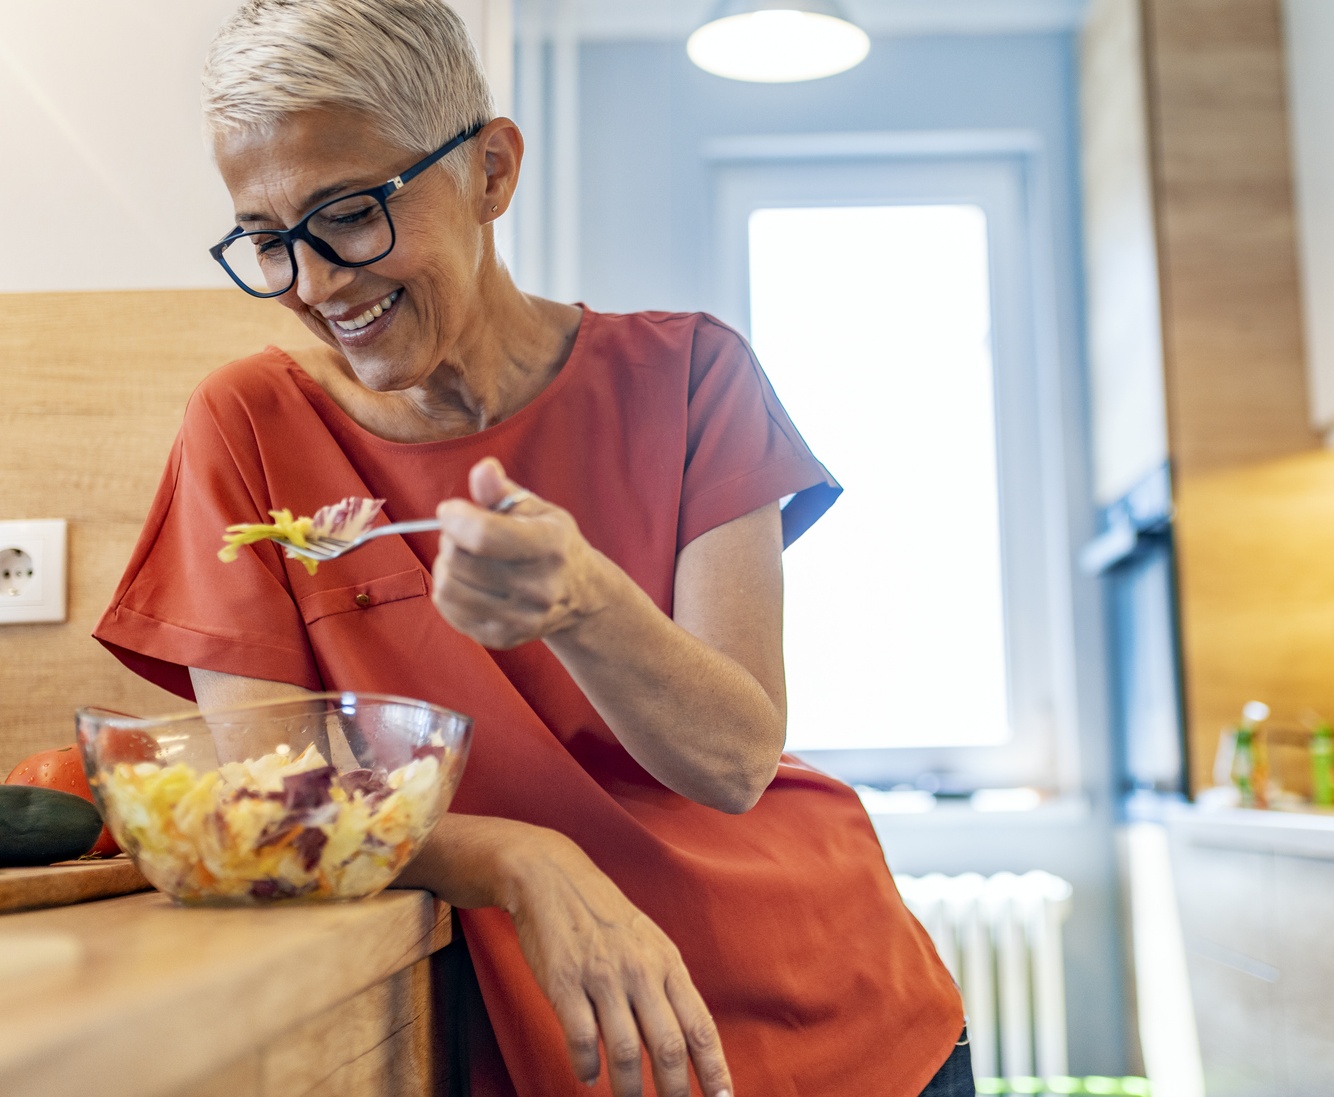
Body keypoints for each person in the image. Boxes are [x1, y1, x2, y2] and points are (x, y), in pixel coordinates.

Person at [94, 1, 969, 1094]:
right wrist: (518, 858)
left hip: (843, 1018)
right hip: (564, 1042)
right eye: (268, 241)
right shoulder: (249, 427)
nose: (315, 284)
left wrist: (584, 601)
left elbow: (735, 760)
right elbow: (273, 804)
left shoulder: (692, 376)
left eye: (352, 215)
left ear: (491, 172)